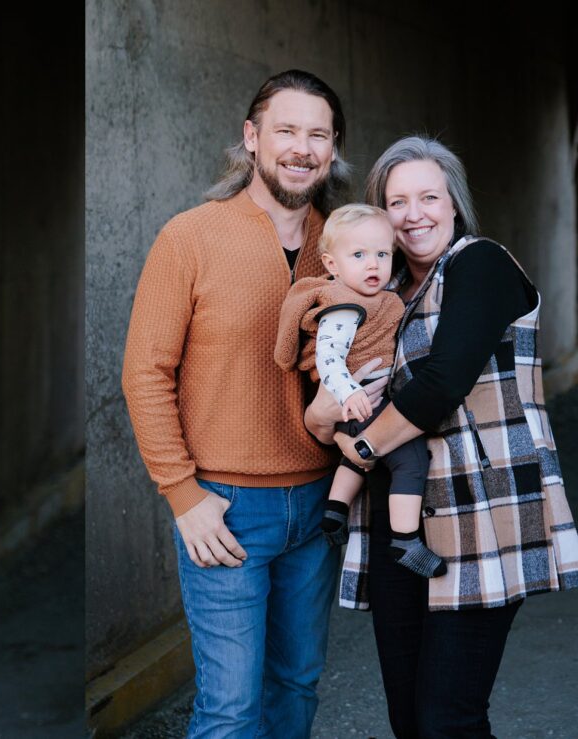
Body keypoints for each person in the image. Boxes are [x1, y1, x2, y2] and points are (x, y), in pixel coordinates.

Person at [122, 69, 370, 738]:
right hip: (226, 507)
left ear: (333, 147)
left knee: (294, 688)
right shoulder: (191, 236)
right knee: (230, 709)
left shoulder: (351, 247)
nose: (301, 147)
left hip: (318, 504)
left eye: (318, 134)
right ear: (252, 137)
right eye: (286, 130)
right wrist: (182, 493)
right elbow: (145, 373)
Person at [303, 135, 578, 738]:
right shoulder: (379, 293)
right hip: (398, 522)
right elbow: (322, 397)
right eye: (397, 201)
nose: (414, 213)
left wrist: (365, 446)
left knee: (448, 720)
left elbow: (442, 382)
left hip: (483, 512)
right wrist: (324, 419)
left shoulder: (481, 264)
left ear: (455, 205)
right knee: (408, 718)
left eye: (430, 196)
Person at [272, 204, 441, 577]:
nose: (373, 265)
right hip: (354, 400)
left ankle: (335, 509)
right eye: (359, 255)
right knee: (410, 458)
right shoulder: (344, 306)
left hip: (361, 400)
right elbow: (328, 357)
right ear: (332, 265)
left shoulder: (377, 298)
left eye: (382, 254)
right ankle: (405, 539)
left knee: (356, 458)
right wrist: (349, 393)